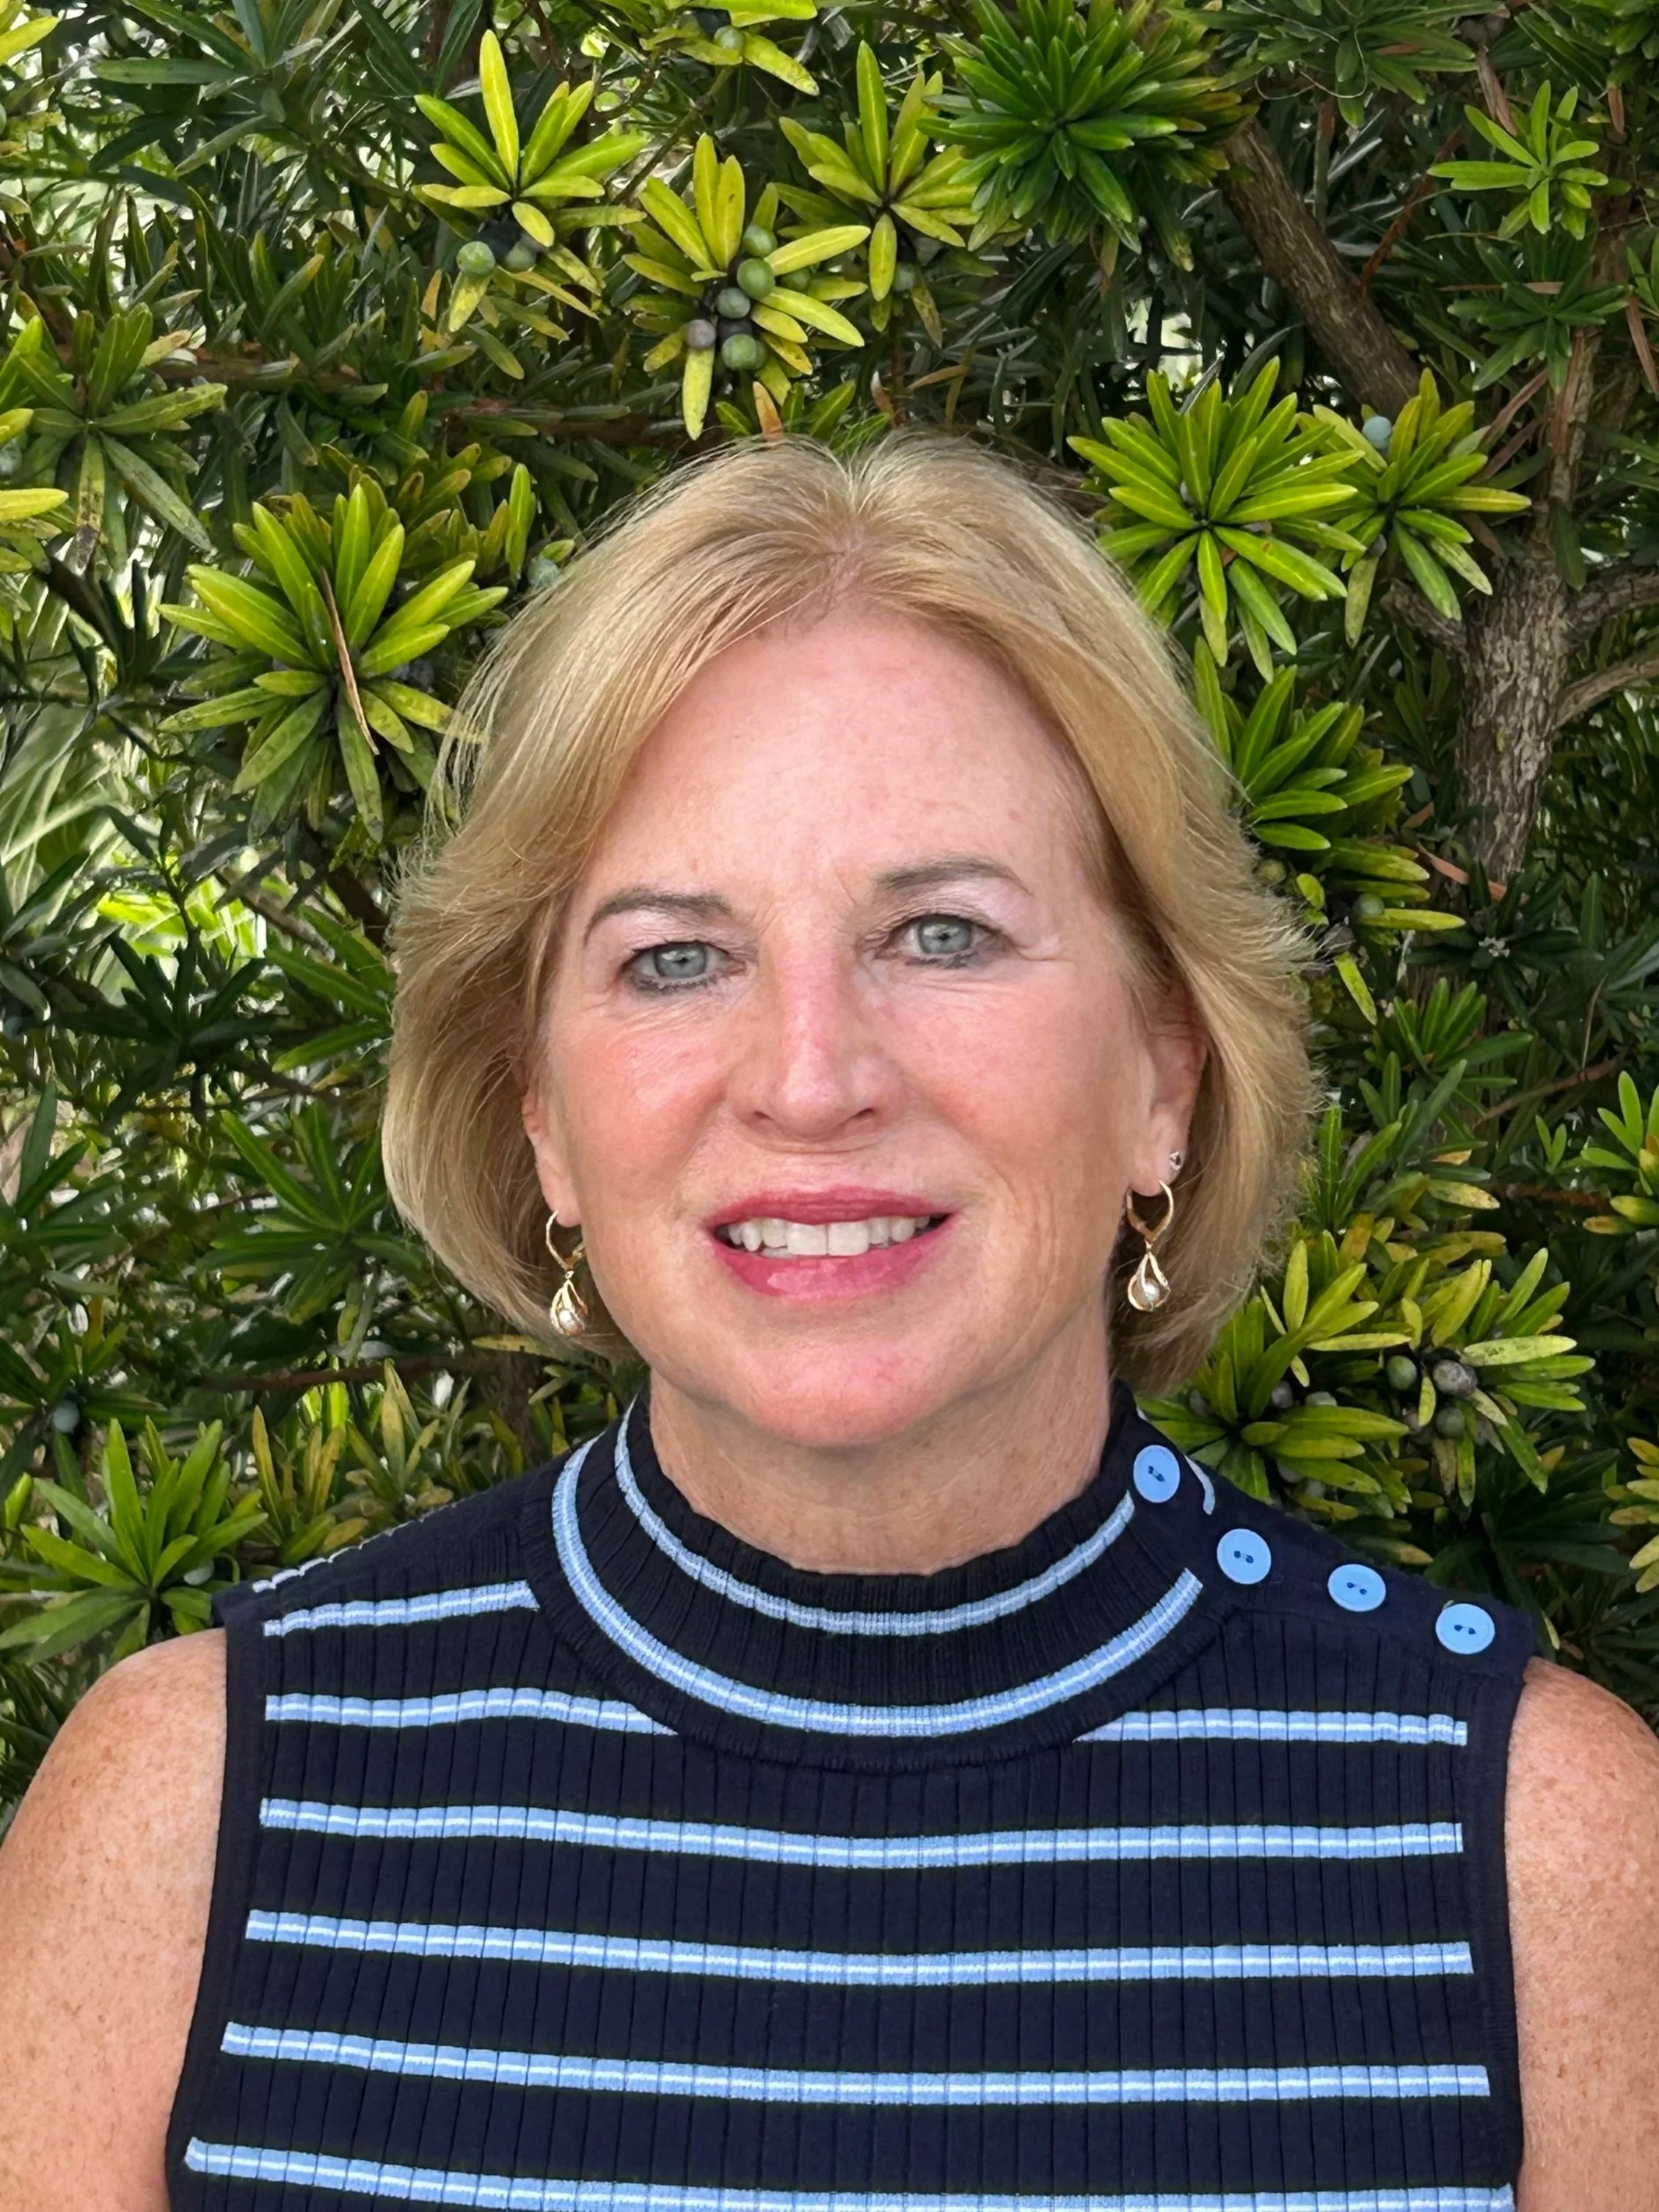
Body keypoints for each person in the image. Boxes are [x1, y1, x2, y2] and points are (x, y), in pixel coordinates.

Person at [3, 432, 1657, 2212]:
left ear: (1166, 1068)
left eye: (941, 934)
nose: (809, 1079)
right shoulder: (195, 1816)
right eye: (673, 957)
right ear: (541, 1111)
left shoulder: (1535, 1855)